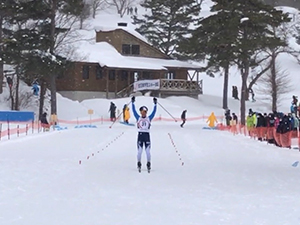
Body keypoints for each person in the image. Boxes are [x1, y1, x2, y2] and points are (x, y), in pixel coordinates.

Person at [131, 96, 157, 172]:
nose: (143, 113)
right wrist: (132, 102)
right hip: (140, 135)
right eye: (142, 112)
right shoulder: (138, 117)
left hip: (146, 135)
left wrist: (155, 104)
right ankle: (139, 163)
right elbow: (133, 111)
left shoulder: (149, 118)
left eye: (144, 112)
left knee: (148, 151)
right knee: (139, 151)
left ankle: (148, 163)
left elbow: (154, 112)